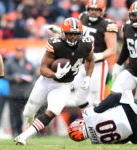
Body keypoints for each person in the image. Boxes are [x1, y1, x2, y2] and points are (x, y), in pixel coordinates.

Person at [14, 17, 94, 145]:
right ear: (63, 33)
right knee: (28, 111)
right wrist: (55, 74)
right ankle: (30, 121)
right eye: (70, 34)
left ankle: (23, 136)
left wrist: (88, 77)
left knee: (53, 110)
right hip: (46, 80)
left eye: (75, 34)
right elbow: (43, 69)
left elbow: (90, 60)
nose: (73, 37)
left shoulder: (86, 44)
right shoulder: (55, 44)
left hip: (64, 84)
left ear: (80, 34)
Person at [73, 0, 118, 106]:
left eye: (96, 10)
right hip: (81, 63)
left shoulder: (107, 25)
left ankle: (97, 121)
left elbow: (112, 49)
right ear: (87, 9)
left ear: (102, 11)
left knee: (96, 100)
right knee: (79, 99)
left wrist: (97, 56)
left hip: (97, 65)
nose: (93, 12)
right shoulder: (82, 17)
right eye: (91, 9)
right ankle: (87, 120)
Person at [68, 91, 137, 144]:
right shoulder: (88, 115)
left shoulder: (97, 142)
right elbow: (115, 97)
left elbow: (124, 141)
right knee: (118, 98)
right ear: (79, 124)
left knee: (135, 139)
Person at [111, 1, 137, 102]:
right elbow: (126, 48)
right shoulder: (127, 27)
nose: (135, 18)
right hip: (132, 71)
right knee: (114, 95)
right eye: (133, 15)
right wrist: (118, 64)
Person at [5, 46, 36, 137]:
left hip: (27, 94)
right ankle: (16, 132)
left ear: (23, 52)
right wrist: (15, 78)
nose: (18, 53)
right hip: (14, 94)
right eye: (17, 51)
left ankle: (31, 132)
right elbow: (4, 75)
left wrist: (31, 78)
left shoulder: (29, 63)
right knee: (15, 115)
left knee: (30, 114)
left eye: (20, 51)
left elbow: (34, 76)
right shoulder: (9, 63)